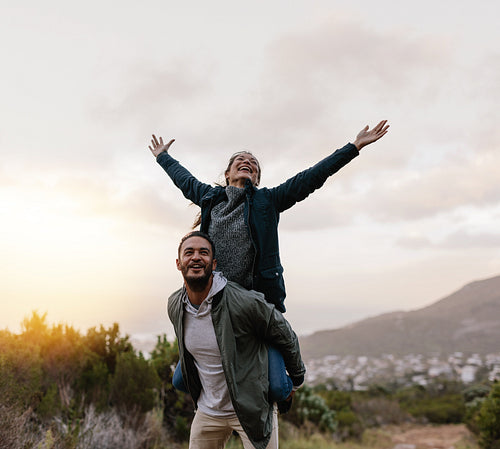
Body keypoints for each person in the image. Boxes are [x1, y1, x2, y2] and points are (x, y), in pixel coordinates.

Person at [148, 120, 389, 402]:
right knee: (181, 381)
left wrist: (354, 146)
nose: (246, 162)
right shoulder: (209, 199)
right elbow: (183, 178)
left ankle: (283, 395)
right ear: (227, 174)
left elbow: (311, 177)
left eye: (253, 163)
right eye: (240, 160)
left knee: (276, 388)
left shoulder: (268, 202)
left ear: (258, 178)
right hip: (217, 307)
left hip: (257, 307)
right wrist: (162, 156)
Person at [169, 231, 305, 449]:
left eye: (203, 253)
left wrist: (296, 381)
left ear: (213, 264)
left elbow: (285, 333)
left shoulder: (243, 301)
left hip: (252, 410)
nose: (196, 257)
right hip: (208, 412)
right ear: (178, 263)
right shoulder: (175, 305)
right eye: (189, 252)